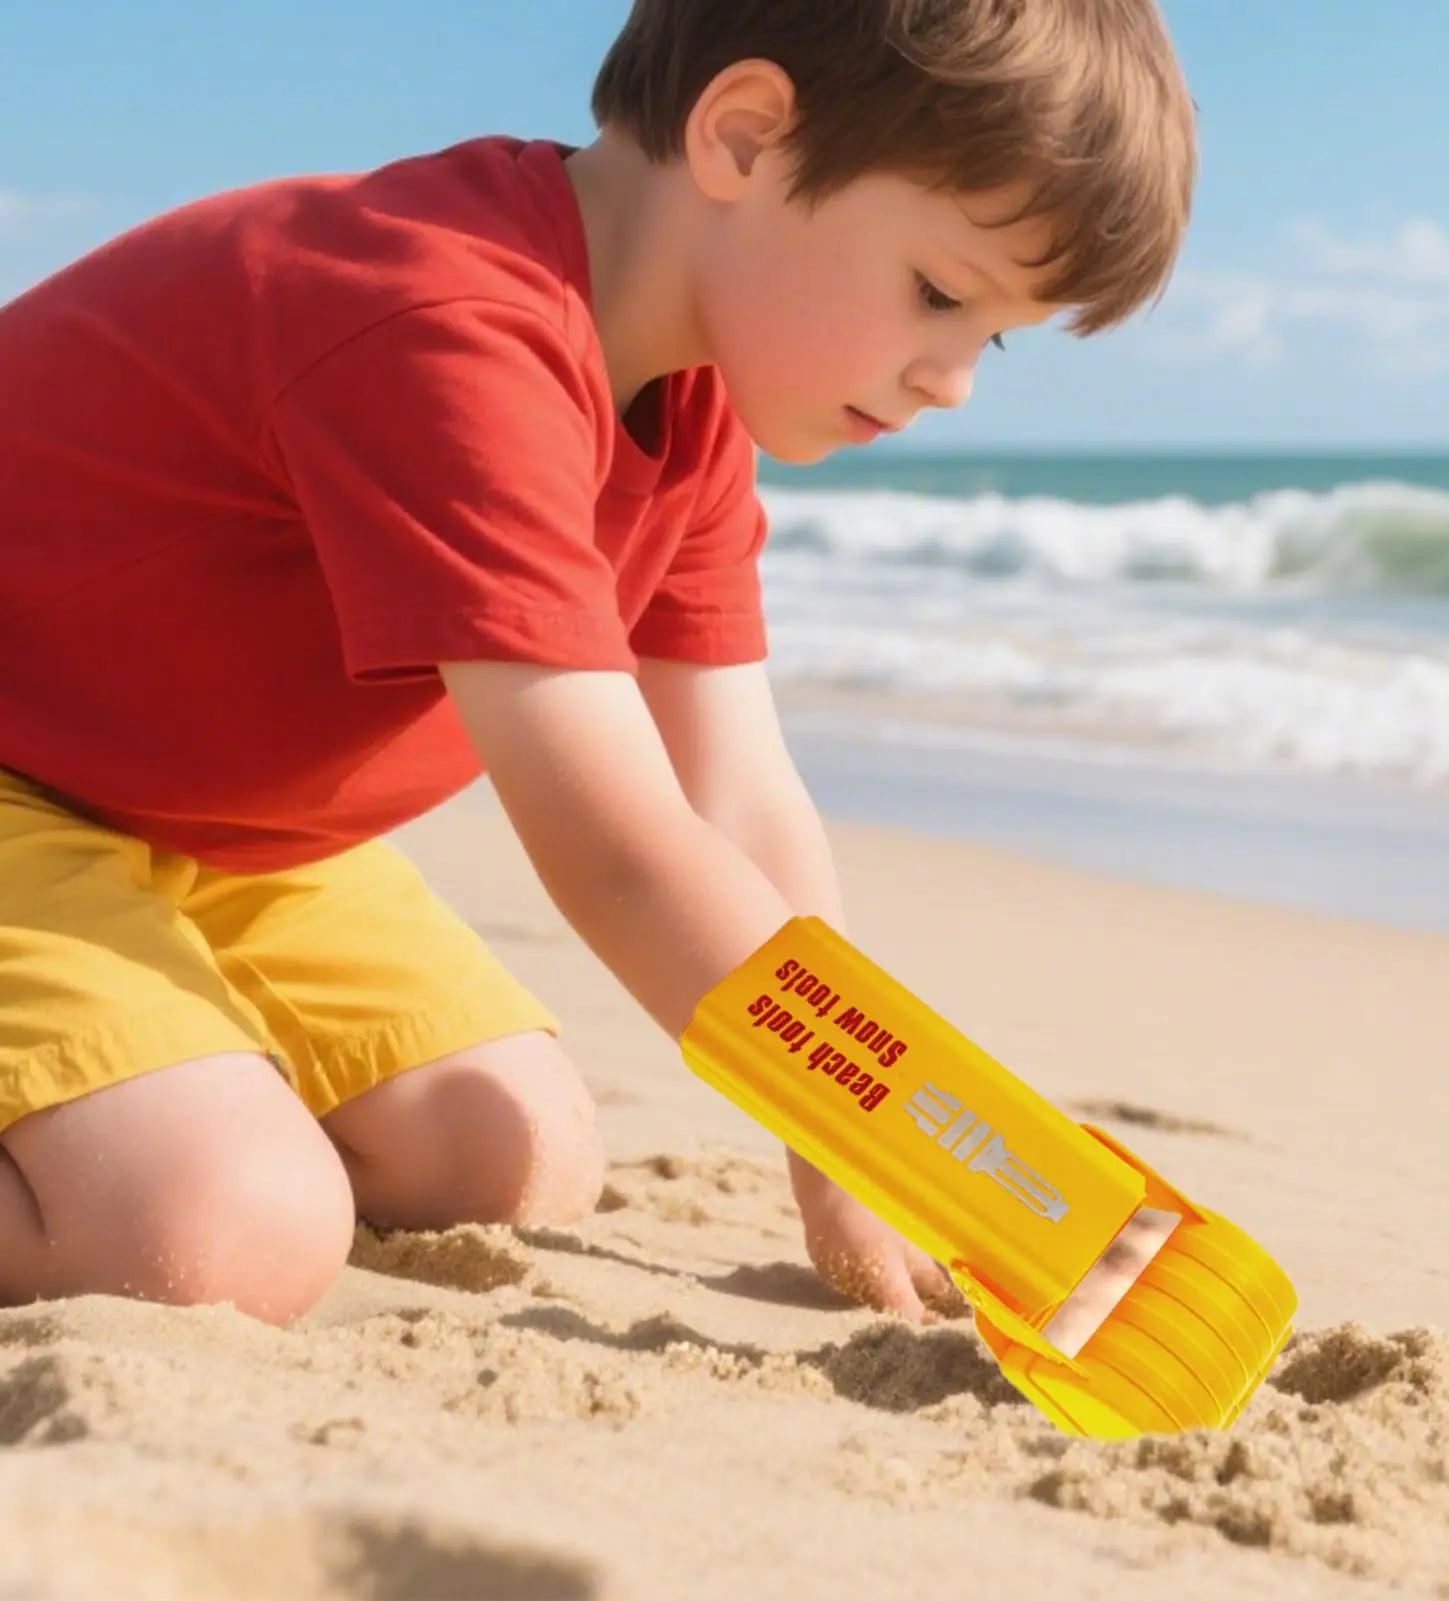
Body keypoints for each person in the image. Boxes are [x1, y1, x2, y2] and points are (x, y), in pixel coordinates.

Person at [0, 0, 1195, 1327]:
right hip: (19, 773)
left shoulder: (691, 405)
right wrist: (905, 1140)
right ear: (746, 138)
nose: (955, 381)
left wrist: (849, 1150)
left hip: (210, 826)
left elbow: (740, 808)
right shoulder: (447, 325)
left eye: (996, 335)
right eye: (941, 295)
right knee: (219, 1230)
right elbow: (620, 852)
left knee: (508, 1155)